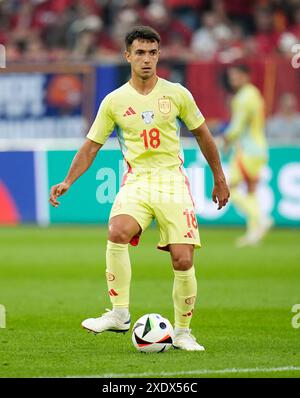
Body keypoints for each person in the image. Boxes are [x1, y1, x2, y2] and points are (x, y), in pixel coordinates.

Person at [49, 26, 229, 351]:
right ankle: (119, 314)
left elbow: (203, 135)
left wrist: (219, 178)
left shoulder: (176, 93)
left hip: (172, 180)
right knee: (117, 230)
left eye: (153, 53)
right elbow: (91, 147)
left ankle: (184, 332)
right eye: (141, 53)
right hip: (138, 180)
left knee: (183, 260)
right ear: (128, 56)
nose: (147, 59)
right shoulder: (114, 101)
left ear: (159, 55)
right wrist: (68, 181)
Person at [220, 64, 271, 247]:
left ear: (245, 76)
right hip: (259, 147)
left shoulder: (243, 98)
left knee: (229, 188)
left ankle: (261, 218)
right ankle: (253, 231)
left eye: (235, 76)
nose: (232, 80)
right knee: (250, 190)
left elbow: (237, 126)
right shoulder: (254, 93)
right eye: (231, 76)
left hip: (247, 150)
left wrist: (224, 140)